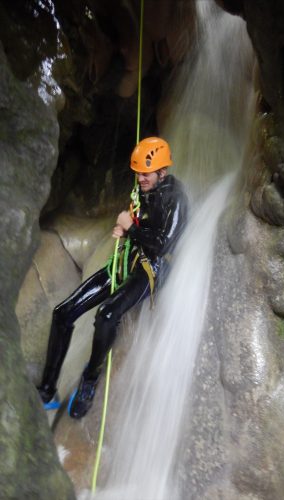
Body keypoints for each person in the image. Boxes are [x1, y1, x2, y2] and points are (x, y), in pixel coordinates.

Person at [37, 137, 188, 419]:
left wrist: (130, 228)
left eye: (146, 173)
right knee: (63, 313)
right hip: (129, 259)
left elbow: (164, 244)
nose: (140, 178)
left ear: (162, 172)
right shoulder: (144, 189)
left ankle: (90, 378)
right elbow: (139, 220)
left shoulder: (176, 199)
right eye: (138, 173)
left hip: (152, 267)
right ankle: (47, 390)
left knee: (107, 315)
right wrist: (128, 226)